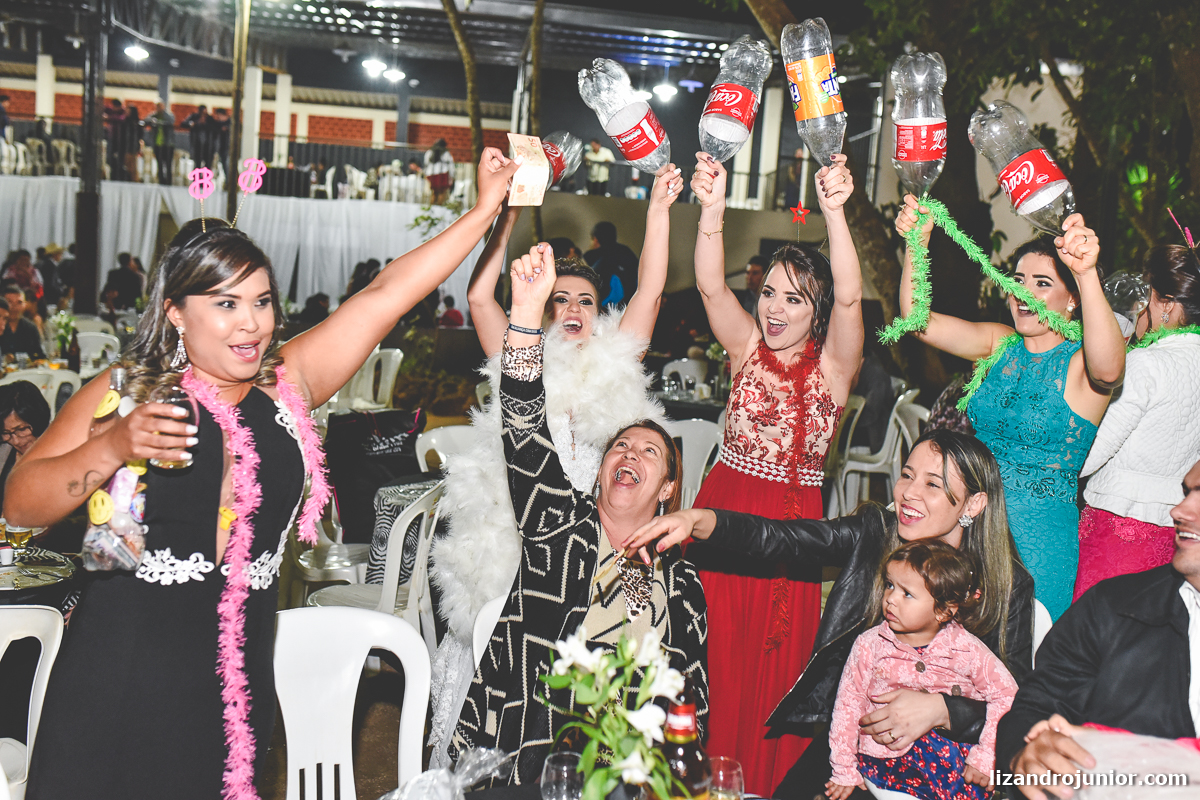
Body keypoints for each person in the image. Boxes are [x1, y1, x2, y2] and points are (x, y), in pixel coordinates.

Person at [10, 147, 522, 800]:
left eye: (261, 301)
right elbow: (22, 503)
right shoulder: (125, 393)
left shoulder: (286, 388)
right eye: (225, 304)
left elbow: (385, 294)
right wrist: (110, 446)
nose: (250, 323)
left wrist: (484, 210)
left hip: (232, 690)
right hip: (119, 681)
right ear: (175, 311)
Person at [430, 165, 684, 767]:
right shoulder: (521, 351)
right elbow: (476, 297)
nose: (572, 309)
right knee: (502, 654)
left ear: (600, 312)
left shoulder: (616, 361)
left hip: (589, 542)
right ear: (542, 309)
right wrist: (509, 214)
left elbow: (649, 292)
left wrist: (657, 212)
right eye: (560, 299)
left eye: (586, 301)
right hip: (513, 533)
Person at [626, 428, 1034, 800]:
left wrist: (941, 709)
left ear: (974, 503)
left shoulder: (1006, 585)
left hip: (955, 765)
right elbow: (786, 539)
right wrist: (699, 520)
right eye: (907, 475)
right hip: (854, 745)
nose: (909, 493)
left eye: (932, 484)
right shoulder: (877, 532)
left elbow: (1020, 704)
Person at [682, 150, 864, 795]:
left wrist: (836, 213)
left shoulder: (835, 370)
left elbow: (849, 294)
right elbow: (709, 286)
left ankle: (759, 784)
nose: (776, 310)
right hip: (723, 509)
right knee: (714, 653)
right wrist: (711, 209)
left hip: (789, 531)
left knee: (771, 663)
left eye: (795, 299)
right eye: (769, 293)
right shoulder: (745, 348)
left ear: (816, 311)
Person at [895, 195, 1125, 619]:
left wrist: (1086, 273)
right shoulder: (1000, 345)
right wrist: (917, 242)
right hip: (972, 531)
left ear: (1071, 299)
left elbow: (1110, 372)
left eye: (1042, 283)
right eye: (1019, 280)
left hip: (1036, 542)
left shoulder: (1080, 363)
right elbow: (916, 319)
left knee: (1021, 661)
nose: (1024, 293)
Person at [995, 455, 1200, 798]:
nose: (1178, 511)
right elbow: (1034, 708)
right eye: (1188, 492)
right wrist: (1024, 758)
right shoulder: (1114, 607)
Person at [826, 541, 1017, 800]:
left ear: (943, 611)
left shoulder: (967, 649)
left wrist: (986, 755)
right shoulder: (869, 645)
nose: (891, 598)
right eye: (890, 585)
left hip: (954, 764)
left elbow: (1007, 694)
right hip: (886, 762)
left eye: (907, 593)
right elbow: (847, 706)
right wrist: (844, 768)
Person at [1075, 243, 1200, 598]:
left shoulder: (1146, 365)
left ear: (1167, 303)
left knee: (1093, 640)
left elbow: (1088, 457)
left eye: (1147, 294)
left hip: (1117, 529)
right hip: (1177, 535)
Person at [0, 381, 51, 509]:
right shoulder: (4, 451)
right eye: (6, 433)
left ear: (38, 420)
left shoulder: (61, 451)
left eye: (22, 429)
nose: (15, 441)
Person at [583, 220, 640, 305]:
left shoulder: (592, 257)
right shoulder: (626, 252)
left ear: (595, 239)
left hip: (604, 307)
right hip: (631, 304)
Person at [1, 285, 46, 360]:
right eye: (9, 302)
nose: (14, 307)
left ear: (25, 305)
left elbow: (39, 355)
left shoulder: (30, 328)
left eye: (19, 302)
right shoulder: (1, 326)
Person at [145, 101, 175, 186]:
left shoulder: (168, 115)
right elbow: (146, 119)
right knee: (160, 164)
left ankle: (169, 182)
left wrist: (159, 121)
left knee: (168, 165)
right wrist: (153, 120)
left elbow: (171, 121)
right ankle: (161, 181)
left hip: (168, 144)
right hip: (157, 144)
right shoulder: (154, 116)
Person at [424, 138, 454, 205]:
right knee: (442, 192)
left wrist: (426, 174)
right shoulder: (446, 153)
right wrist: (452, 176)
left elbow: (426, 163)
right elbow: (451, 165)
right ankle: (439, 207)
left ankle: (432, 207)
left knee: (434, 192)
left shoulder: (429, 152)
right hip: (442, 174)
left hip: (431, 174)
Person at [104, 99, 127, 180]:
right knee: (110, 158)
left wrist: (109, 117)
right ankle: (112, 174)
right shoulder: (111, 111)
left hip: (120, 139)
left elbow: (121, 119)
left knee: (119, 159)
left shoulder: (123, 113)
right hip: (111, 137)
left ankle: (118, 176)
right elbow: (104, 109)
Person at [123, 105, 142, 181]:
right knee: (127, 164)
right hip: (126, 145)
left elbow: (139, 135)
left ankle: (134, 179)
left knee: (132, 165)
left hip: (132, 145)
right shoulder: (125, 122)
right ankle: (129, 178)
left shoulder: (136, 123)